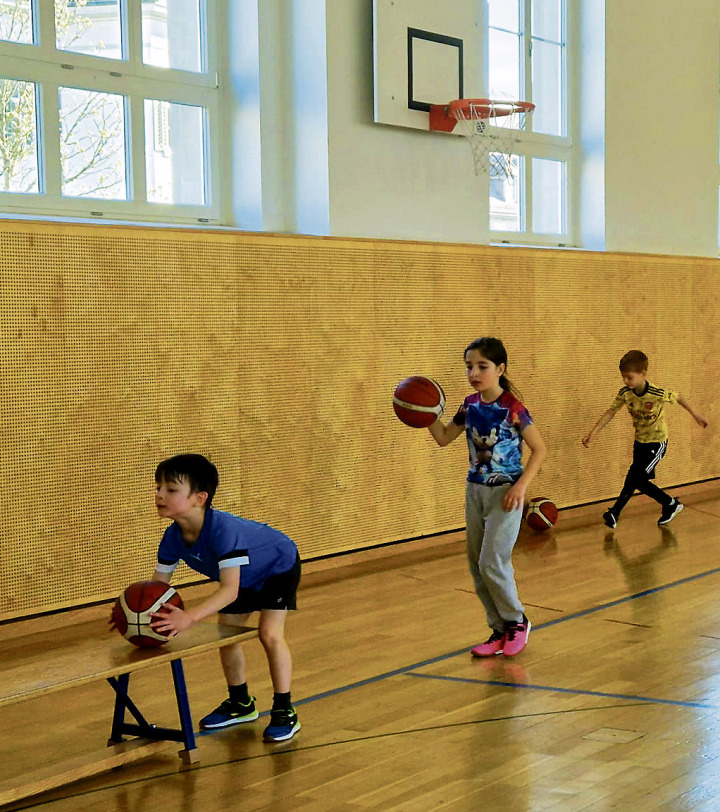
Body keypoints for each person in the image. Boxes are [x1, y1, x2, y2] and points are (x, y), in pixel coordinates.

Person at [148, 453, 302, 743]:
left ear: (199, 497)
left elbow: (229, 590)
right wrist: (133, 614)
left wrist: (188, 617)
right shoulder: (171, 538)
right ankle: (241, 703)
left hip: (278, 566)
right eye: (157, 487)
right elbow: (156, 591)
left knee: (269, 633)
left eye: (170, 489)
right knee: (226, 634)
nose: (159, 494)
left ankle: (284, 709)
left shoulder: (223, 531)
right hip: (243, 578)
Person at [427, 337, 547, 658]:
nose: (474, 373)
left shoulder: (513, 409)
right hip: (475, 490)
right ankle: (498, 629)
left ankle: (517, 620)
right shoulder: (469, 405)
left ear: (500, 369)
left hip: (506, 492)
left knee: (492, 561)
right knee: (476, 565)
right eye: (469, 367)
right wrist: (423, 412)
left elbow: (540, 449)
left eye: (482, 366)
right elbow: (442, 438)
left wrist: (521, 487)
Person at [582, 350, 708, 529]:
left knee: (638, 479)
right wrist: (593, 433)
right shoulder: (625, 393)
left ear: (642, 374)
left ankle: (670, 504)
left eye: (629, 377)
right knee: (633, 478)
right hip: (639, 442)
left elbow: (678, 397)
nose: (625, 381)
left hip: (656, 443)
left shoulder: (655, 393)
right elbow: (611, 412)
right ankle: (616, 513)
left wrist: (696, 415)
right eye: (623, 377)